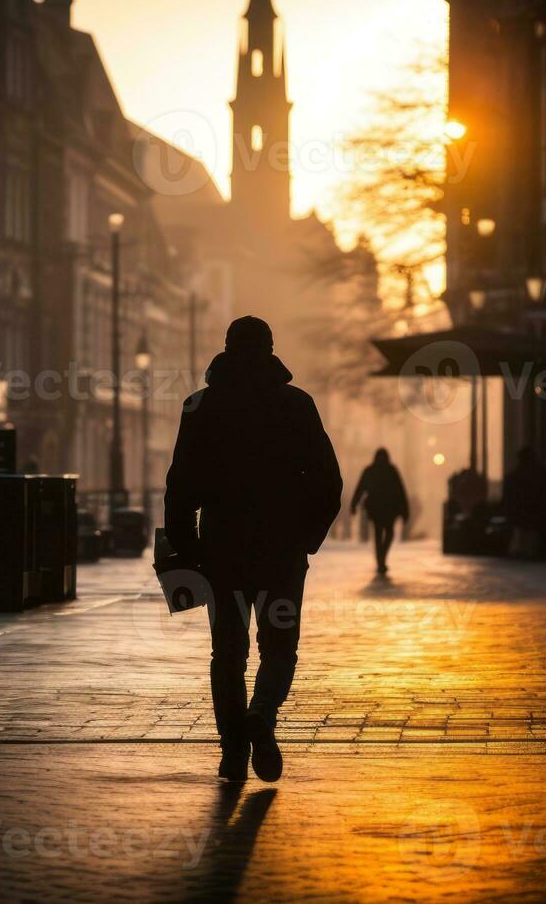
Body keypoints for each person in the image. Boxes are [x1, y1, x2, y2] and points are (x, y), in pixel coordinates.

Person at [165, 316, 342, 783]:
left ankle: (231, 752)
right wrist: (307, 537)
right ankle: (262, 713)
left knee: (227, 651)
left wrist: (185, 549)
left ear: (226, 348)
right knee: (279, 645)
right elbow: (329, 481)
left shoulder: (199, 407)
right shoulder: (296, 405)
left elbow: (180, 485)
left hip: (221, 547)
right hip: (281, 549)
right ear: (270, 350)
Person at [350, 449, 409, 576]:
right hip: (389, 509)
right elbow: (400, 491)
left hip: (376, 509)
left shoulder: (371, 470)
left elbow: (360, 488)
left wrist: (354, 504)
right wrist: (405, 511)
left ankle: (380, 560)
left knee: (378, 535)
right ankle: (381, 559)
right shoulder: (391, 471)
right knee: (389, 533)